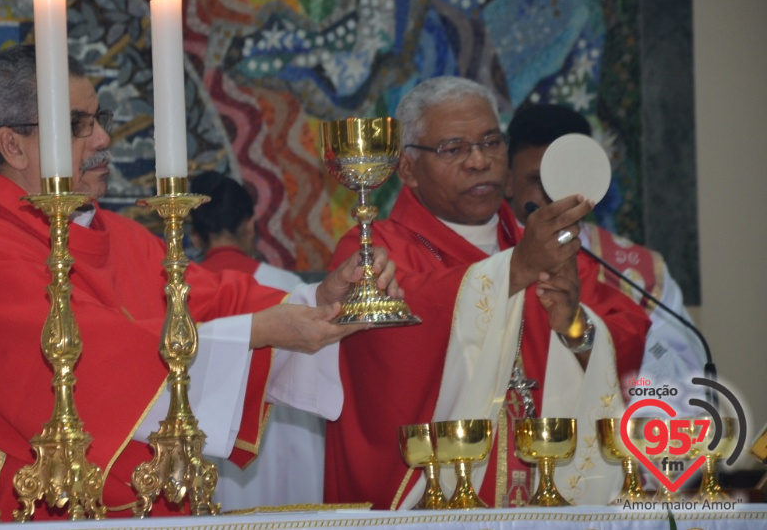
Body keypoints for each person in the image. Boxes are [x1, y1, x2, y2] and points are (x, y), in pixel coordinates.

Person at [0, 44, 400, 521]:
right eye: (76, 125)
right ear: (13, 145)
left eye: (99, 118)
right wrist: (263, 332)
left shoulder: (124, 238)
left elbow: (218, 302)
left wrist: (324, 298)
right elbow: (91, 359)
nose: (104, 138)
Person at [324, 77, 651, 509]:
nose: (479, 161)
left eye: (491, 142)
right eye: (453, 149)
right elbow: (388, 341)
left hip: (546, 504)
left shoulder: (544, 248)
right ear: (407, 170)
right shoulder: (376, 250)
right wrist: (514, 270)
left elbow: (626, 340)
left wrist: (574, 324)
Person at [504, 102, 705, 405]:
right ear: (508, 181)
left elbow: (687, 381)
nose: (554, 196)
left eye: (565, 180)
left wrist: (618, 346)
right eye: (538, 180)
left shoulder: (639, 272)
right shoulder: (485, 259)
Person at [189, 170, 325, 509]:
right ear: (250, 225)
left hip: (209, 450)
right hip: (286, 443)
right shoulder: (288, 286)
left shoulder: (182, 294)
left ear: (193, 237)